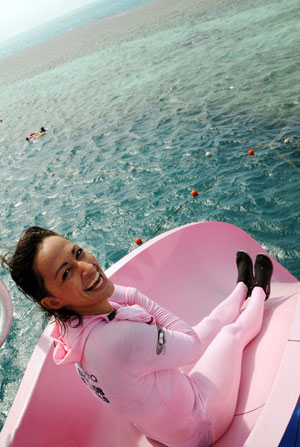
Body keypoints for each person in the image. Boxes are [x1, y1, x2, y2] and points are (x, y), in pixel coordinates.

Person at [0, 226, 273, 447]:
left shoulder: (70, 329)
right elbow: (192, 344)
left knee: (207, 324)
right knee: (229, 334)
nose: (86, 267)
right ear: (53, 302)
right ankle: (260, 289)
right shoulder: (119, 339)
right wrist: (131, 294)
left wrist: (102, 291)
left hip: (164, 430)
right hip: (201, 423)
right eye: (67, 272)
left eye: (78, 252)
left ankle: (240, 288)